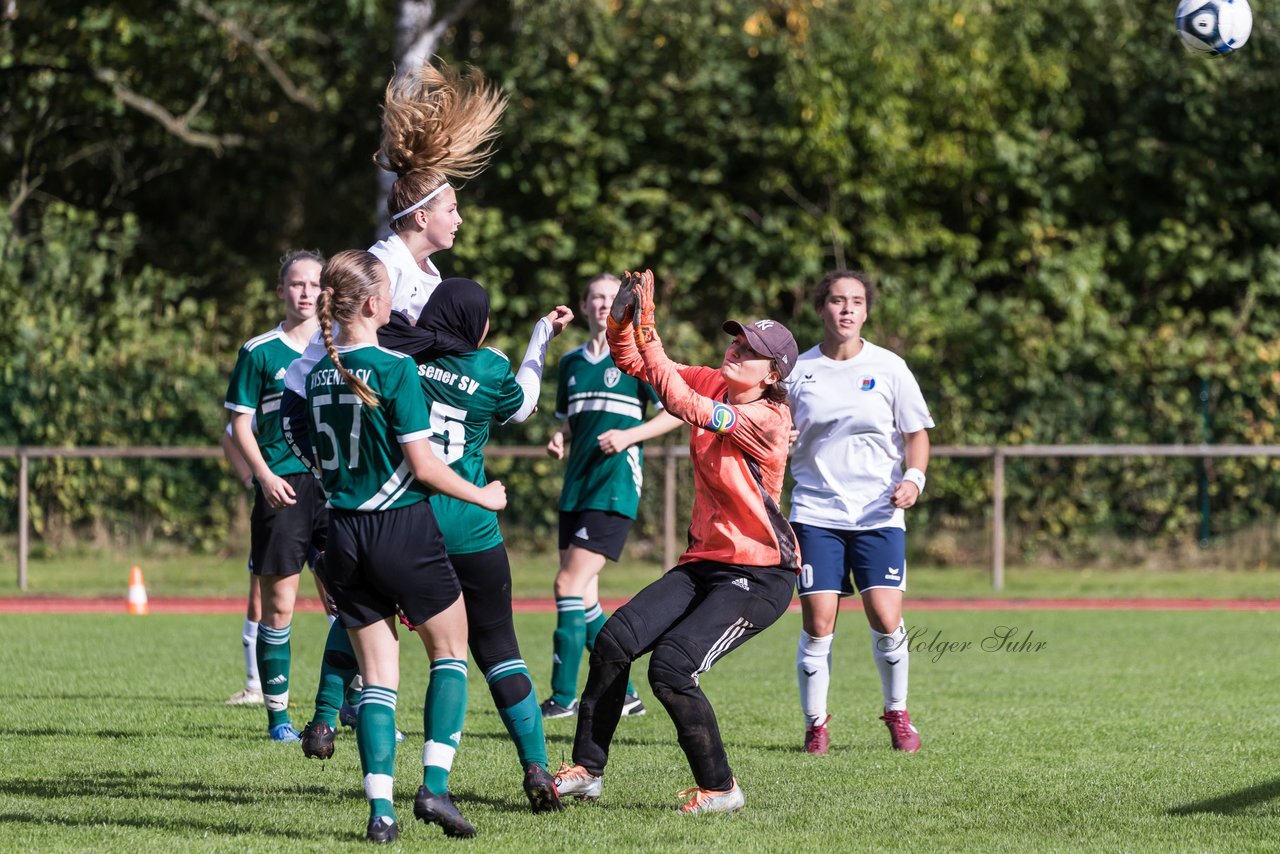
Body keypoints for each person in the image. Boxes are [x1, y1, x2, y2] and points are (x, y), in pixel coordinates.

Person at [279, 61, 504, 757]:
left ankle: (335, 712)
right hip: (345, 443)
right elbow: (349, 359)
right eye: (451, 208)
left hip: (381, 448)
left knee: (369, 592)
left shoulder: (427, 275)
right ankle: (348, 717)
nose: (459, 217)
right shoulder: (384, 264)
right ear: (419, 217)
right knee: (392, 601)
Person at [554, 270, 801, 815]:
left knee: (670, 667)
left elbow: (683, 403)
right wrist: (625, 323)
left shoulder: (769, 418)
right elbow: (636, 365)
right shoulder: (715, 380)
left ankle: (722, 789)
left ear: (774, 373)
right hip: (704, 563)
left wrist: (650, 328)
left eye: (750, 349)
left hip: (760, 575)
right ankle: (587, 772)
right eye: (736, 340)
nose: (735, 349)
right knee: (615, 640)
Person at [305, 250, 507, 843]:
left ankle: (381, 813)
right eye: (390, 292)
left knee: (376, 679)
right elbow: (424, 467)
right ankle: (435, 788)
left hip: (342, 532)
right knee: (449, 654)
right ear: (373, 304)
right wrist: (482, 496)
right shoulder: (396, 370)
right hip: (400, 529)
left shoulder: (319, 372)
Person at [413, 277, 573, 812]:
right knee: (499, 648)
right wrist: (540, 337)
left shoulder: (399, 360)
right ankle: (536, 767)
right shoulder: (487, 367)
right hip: (473, 524)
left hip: (410, 524)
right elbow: (524, 405)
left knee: (374, 630)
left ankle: (325, 716)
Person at [786, 270, 934, 755]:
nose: (846, 309)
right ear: (820, 309)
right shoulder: (796, 370)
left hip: (877, 513)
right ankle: (816, 726)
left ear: (867, 310)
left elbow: (916, 435)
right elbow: (772, 429)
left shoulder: (890, 367)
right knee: (819, 621)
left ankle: (896, 712)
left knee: (886, 617)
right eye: (836, 300)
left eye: (855, 301)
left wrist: (914, 479)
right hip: (815, 511)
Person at [541, 273, 682, 720]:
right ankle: (624, 694)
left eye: (611, 297)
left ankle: (562, 698)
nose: (604, 304)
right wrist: (561, 436)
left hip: (615, 486)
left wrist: (629, 436)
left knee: (566, 584)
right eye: (596, 297)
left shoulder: (636, 360)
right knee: (584, 599)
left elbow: (676, 413)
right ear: (584, 306)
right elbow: (571, 421)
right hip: (577, 487)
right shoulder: (571, 364)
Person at [224, 250, 329, 741]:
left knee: (350, 604)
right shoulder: (260, 351)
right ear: (281, 290)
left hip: (336, 491)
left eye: (313, 284)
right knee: (280, 606)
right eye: (296, 284)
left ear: (327, 291)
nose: (305, 292)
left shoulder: (342, 347)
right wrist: (263, 476)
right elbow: (239, 424)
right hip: (281, 488)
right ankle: (278, 717)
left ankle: (343, 708)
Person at [221, 423, 263, 706]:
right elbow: (230, 433)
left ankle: (354, 692)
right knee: (259, 596)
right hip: (279, 507)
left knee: (335, 598)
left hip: (323, 504)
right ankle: (255, 685)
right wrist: (252, 477)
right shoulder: (279, 382)